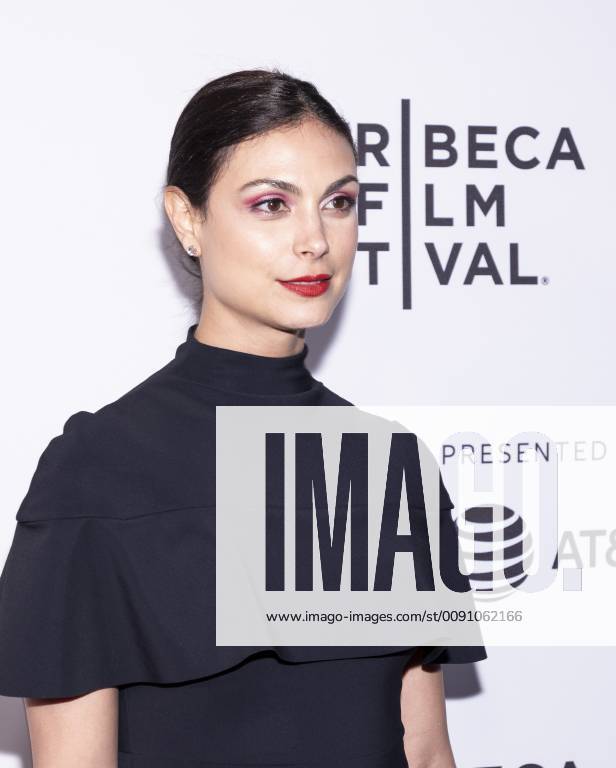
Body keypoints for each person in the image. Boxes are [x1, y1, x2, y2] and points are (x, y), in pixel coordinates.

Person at [0, 68, 486, 767]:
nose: (315, 240)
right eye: (271, 205)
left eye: (339, 202)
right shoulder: (98, 471)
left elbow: (427, 752)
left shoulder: (390, 466)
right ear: (187, 219)